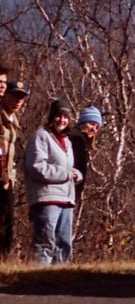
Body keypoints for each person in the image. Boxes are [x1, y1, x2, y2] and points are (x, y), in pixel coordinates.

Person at [24, 98, 82, 265]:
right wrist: (65, 174)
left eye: (65, 117)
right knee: (45, 242)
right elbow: (36, 167)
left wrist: (76, 174)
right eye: (58, 116)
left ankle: (60, 279)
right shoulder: (41, 136)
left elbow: (69, 167)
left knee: (64, 243)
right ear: (51, 117)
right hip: (46, 198)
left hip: (66, 198)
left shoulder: (67, 141)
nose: (62, 120)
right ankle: (40, 278)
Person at [0, 78, 28, 259]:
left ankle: (3, 261)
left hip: (7, 177)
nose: (18, 101)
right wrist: (3, 175)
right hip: (1, 177)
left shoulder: (13, 121)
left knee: (7, 223)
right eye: (14, 96)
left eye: (21, 97)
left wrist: (11, 175)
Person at [67, 106, 102, 206]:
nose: (93, 129)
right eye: (91, 124)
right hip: (67, 193)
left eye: (97, 127)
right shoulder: (77, 138)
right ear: (82, 123)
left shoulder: (75, 137)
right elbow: (77, 166)